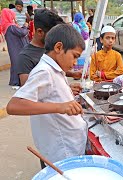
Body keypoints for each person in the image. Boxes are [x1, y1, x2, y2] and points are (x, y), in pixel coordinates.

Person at [6, 24, 87, 165]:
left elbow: (50, 94)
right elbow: (14, 106)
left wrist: (67, 91)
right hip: (63, 152)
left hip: (70, 146)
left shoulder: (54, 69)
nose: (74, 63)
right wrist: (60, 107)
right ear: (58, 48)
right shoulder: (44, 71)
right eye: (74, 56)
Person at [17, 9, 71, 86]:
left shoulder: (51, 48)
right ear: (40, 32)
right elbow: (29, 89)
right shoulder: (25, 57)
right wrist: (64, 90)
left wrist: (73, 74)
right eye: (53, 34)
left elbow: (55, 69)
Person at [1, 8, 29, 87]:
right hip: (17, 48)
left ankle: (14, 82)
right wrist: (25, 26)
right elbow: (22, 33)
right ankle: (16, 82)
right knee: (17, 64)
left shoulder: (6, 26)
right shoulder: (11, 27)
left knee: (15, 64)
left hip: (13, 48)